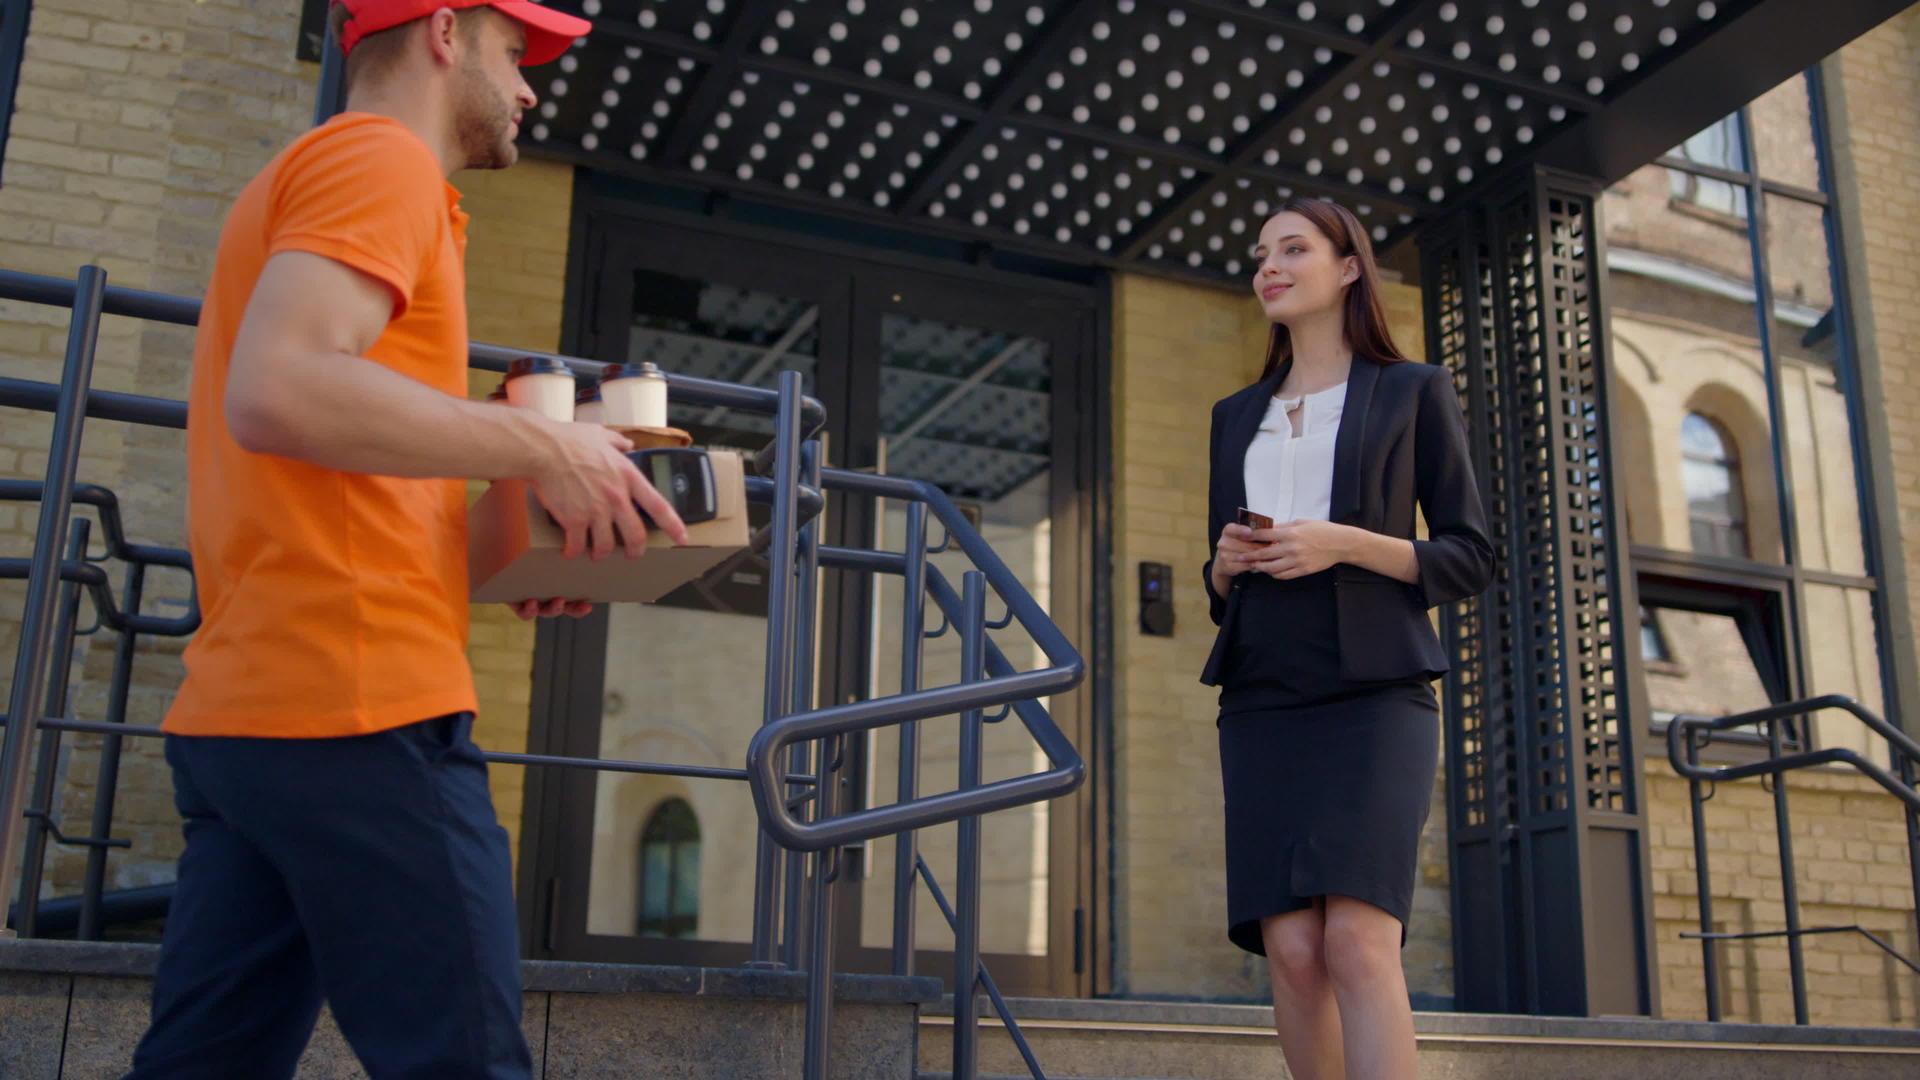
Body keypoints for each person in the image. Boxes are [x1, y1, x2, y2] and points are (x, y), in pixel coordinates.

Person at [127, 3, 686, 1077]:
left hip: (253, 715)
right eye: (516, 55)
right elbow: (281, 389)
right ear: (443, 32)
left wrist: (518, 543)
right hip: (360, 709)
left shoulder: (324, 178)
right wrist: (542, 447)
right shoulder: (380, 161)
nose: (528, 90)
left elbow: (340, 492)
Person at [1200, 198, 1493, 1080]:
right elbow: (1224, 590)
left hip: (1375, 692)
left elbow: (1470, 556)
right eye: (1260, 255)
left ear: (1349, 267)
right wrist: (1221, 566)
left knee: (1359, 943)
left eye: (1293, 249)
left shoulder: (1412, 391)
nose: (1269, 267)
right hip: (1263, 696)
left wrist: (1345, 542)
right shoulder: (1233, 413)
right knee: (1290, 951)